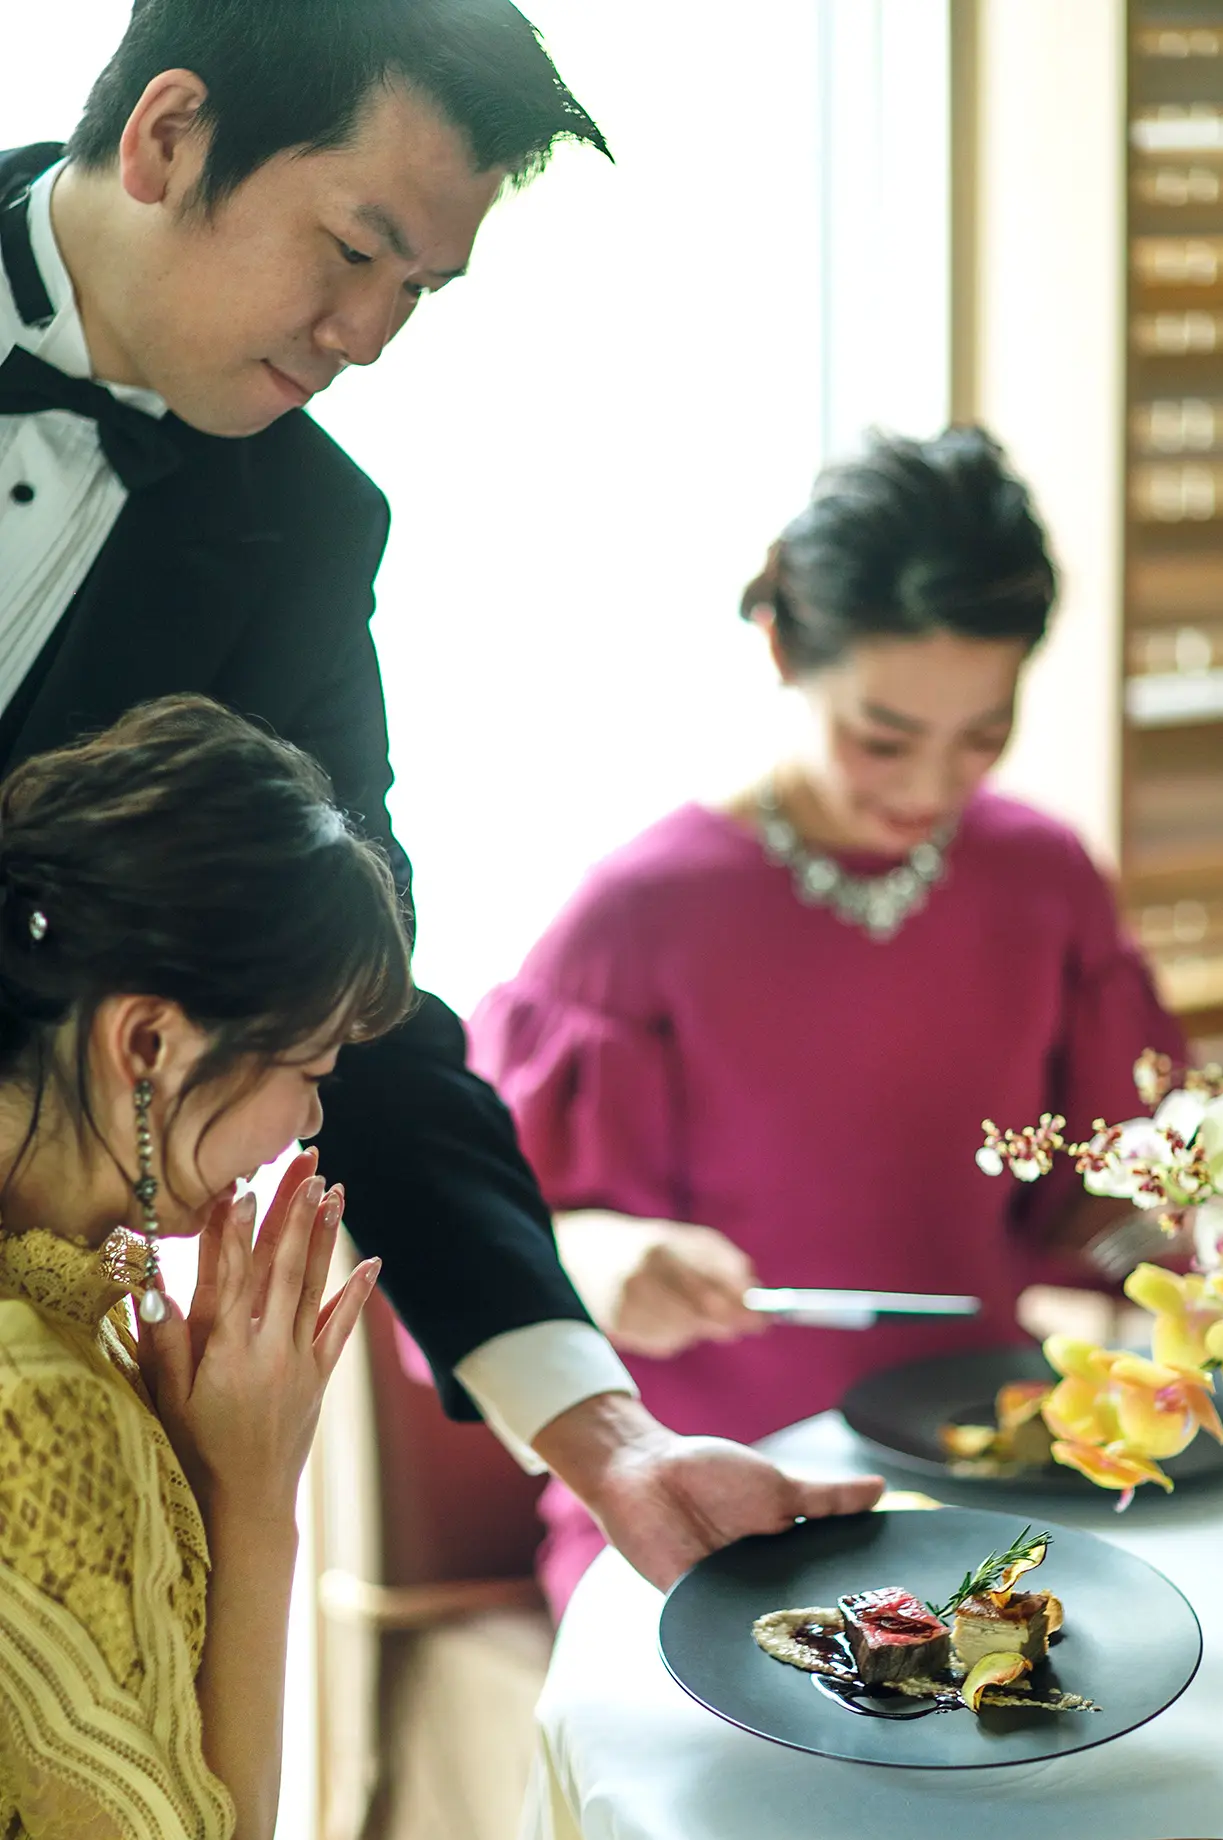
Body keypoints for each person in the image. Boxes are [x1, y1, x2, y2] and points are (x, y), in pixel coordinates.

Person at [0, 0, 881, 1594]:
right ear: (169, 136)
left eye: (418, 290)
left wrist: (607, 1439)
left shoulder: (308, 535)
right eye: (354, 248)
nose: (369, 335)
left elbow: (361, 996)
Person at [468, 427, 1189, 1618]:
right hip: (705, 1500)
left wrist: (1166, 1264)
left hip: (982, 1481)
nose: (926, 790)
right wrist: (602, 1262)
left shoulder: (1046, 879)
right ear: (784, 651)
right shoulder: (642, 917)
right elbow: (500, 1234)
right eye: (883, 738)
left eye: (983, 737)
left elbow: (1093, 1198)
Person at [0, 693, 452, 1840]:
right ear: (147, 1040)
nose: (308, 1126)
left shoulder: (72, 1292)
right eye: (306, 1069)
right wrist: (253, 1500)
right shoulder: (33, 1400)